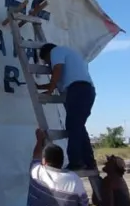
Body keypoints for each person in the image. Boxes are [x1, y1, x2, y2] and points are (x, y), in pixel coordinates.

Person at [36, 43, 96, 172]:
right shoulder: (68, 54)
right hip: (84, 90)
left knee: (73, 127)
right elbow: (57, 79)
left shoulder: (56, 52)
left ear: (48, 54)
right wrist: (40, 87)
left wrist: (49, 92)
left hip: (78, 90)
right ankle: (89, 162)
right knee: (78, 128)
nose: (48, 65)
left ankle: (75, 162)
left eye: (47, 62)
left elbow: (57, 69)